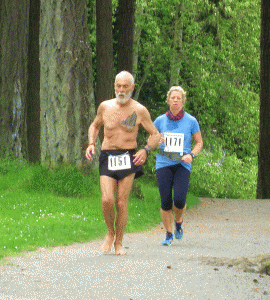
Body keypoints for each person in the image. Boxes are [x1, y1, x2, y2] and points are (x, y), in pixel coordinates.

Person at [85, 71, 160, 255]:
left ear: (132, 88)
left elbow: (156, 134)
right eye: (118, 86)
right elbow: (95, 126)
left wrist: (146, 150)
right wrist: (91, 143)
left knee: (121, 202)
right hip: (108, 155)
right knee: (107, 199)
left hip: (128, 157)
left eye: (125, 86)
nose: (121, 90)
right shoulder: (105, 107)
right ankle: (110, 233)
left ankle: (119, 243)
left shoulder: (139, 110)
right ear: (114, 86)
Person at [153, 86, 203, 246]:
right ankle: (169, 234)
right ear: (168, 100)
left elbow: (199, 142)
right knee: (165, 201)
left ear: (182, 101)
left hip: (182, 164)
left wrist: (191, 155)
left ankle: (179, 220)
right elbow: (152, 139)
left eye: (178, 98)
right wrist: (157, 140)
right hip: (163, 163)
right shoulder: (160, 120)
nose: (175, 100)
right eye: (172, 98)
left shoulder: (191, 121)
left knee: (180, 201)